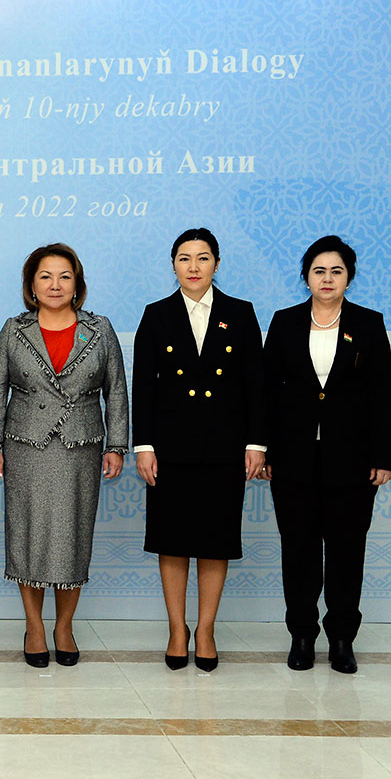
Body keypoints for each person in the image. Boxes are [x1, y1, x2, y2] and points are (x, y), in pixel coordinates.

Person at [0, 243, 128, 668]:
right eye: (45, 276)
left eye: (64, 276)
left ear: (77, 283)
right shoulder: (14, 330)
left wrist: (116, 445)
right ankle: (34, 627)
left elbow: (115, 392)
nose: (55, 284)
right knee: (27, 536)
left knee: (72, 539)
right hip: (25, 446)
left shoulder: (100, 329)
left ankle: (64, 626)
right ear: (31, 285)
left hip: (81, 446)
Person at [132, 228, 265, 672]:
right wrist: (144, 446)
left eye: (203, 258)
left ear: (217, 264)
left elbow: (254, 386)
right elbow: (144, 388)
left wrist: (256, 443)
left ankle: (205, 629)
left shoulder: (241, 314)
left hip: (225, 447)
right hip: (169, 449)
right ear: (173, 265)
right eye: (185, 258)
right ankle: (177, 629)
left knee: (215, 542)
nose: (193, 266)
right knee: (172, 542)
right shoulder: (156, 315)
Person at [261, 236, 391, 674]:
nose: (327, 278)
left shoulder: (369, 324)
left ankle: (342, 638)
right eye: (319, 271)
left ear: (349, 278)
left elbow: (383, 395)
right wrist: (261, 449)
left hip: (353, 463)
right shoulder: (284, 323)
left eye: (336, 271)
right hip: (292, 460)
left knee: (345, 550)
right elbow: (266, 393)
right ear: (305, 277)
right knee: (297, 550)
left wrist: (383, 456)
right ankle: (302, 635)